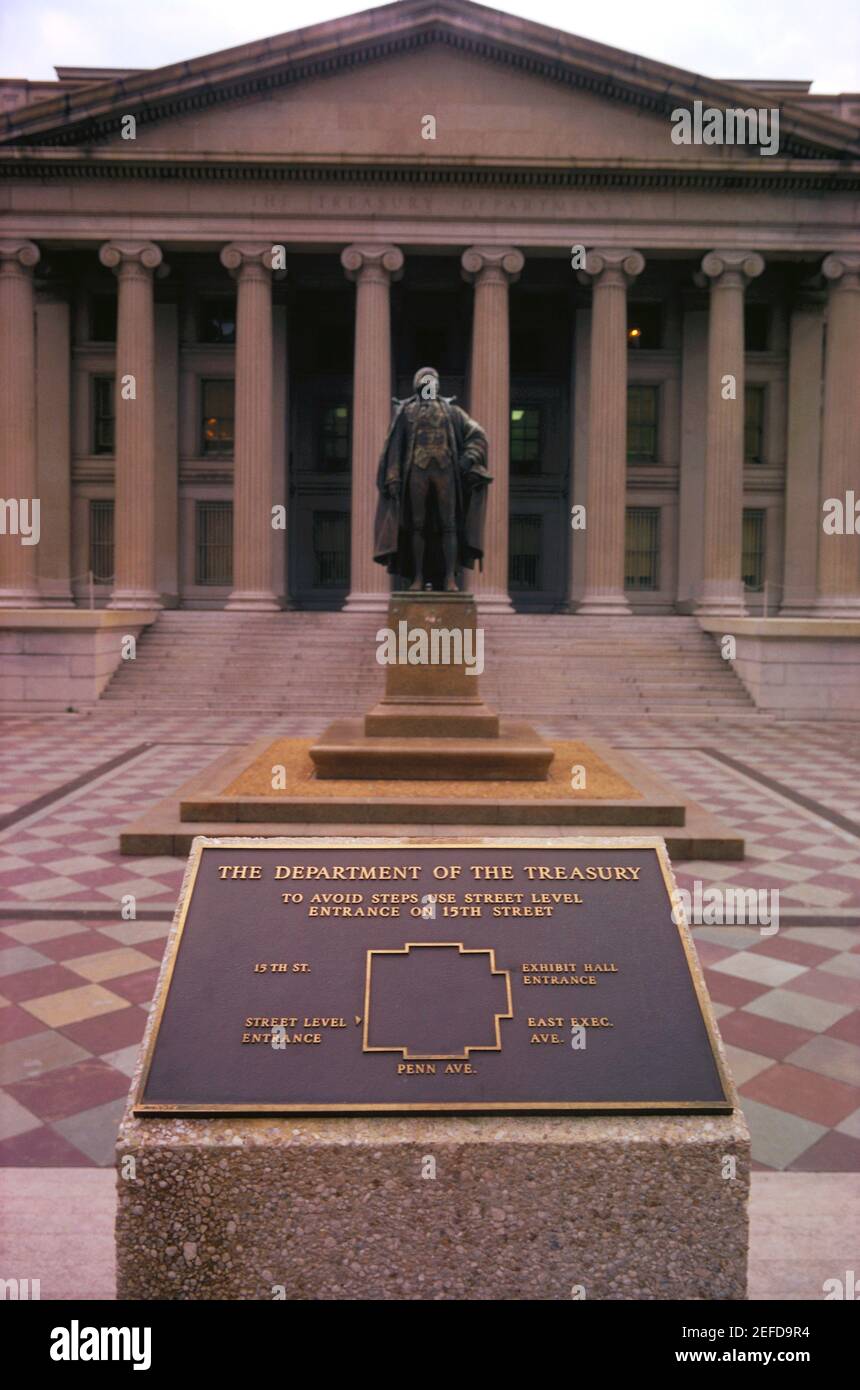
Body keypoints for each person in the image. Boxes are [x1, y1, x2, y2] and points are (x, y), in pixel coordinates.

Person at [373, 367, 491, 592]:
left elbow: (478, 435)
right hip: (416, 471)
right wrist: (393, 476)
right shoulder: (407, 411)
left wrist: (467, 460)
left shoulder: (452, 412)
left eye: (432, 381)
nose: (429, 385)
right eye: (425, 382)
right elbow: (395, 446)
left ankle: (449, 579)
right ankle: (417, 577)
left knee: (449, 525)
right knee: (417, 525)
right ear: (418, 386)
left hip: (446, 472)